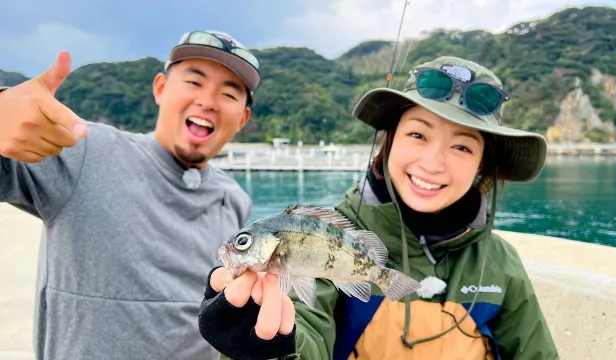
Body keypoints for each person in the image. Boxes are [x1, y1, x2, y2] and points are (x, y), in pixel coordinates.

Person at [198, 56, 560, 359]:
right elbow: (304, 326)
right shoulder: (335, 232)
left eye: (462, 147)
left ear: (482, 164)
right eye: (418, 134)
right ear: (388, 143)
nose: (433, 163)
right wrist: (267, 346)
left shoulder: (502, 264)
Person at [0, 30, 261, 359]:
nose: (207, 102)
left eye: (228, 93)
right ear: (160, 88)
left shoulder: (234, 199)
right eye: (194, 82)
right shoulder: (83, 150)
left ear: (243, 118)